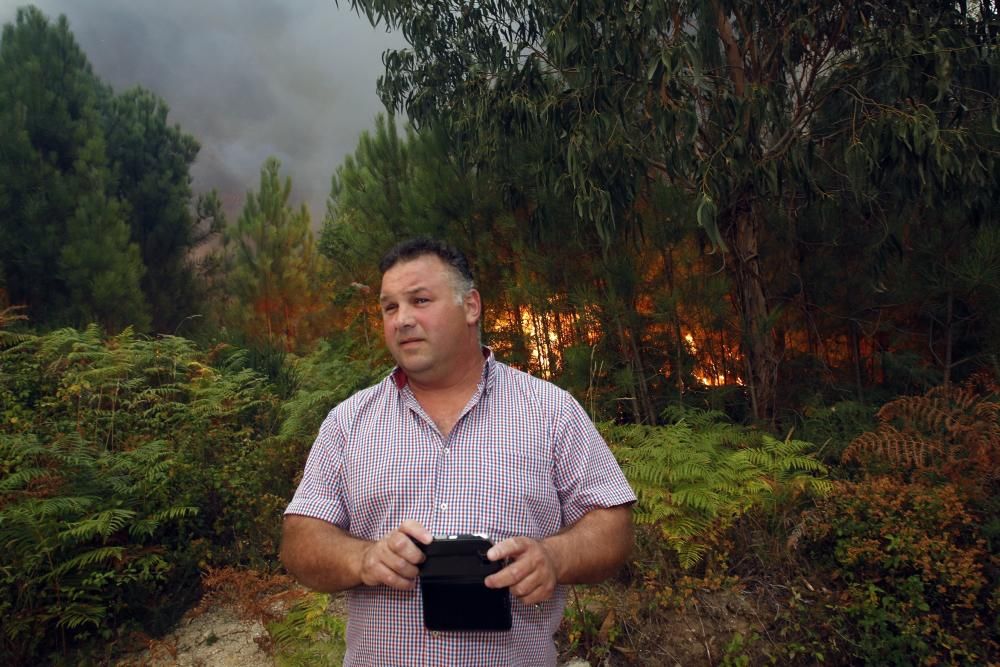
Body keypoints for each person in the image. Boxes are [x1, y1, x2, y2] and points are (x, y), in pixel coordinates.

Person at [281, 238, 636, 666]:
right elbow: (300, 539)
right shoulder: (349, 422)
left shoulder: (550, 411)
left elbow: (612, 524)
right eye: (389, 308)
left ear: (471, 306)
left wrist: (555, 557)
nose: (402, 320)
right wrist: (362, 558)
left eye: (420, 300)